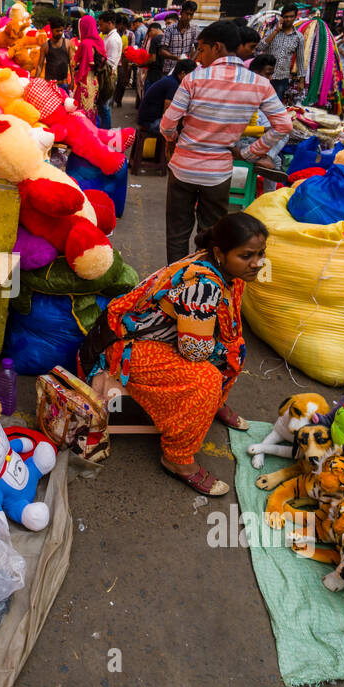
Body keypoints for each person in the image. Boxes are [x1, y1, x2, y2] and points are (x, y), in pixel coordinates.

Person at [81, 212, 269, 495]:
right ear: (220, 253)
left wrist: (225, 346)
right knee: (205, 380)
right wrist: (219, 350)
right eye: (247, 256)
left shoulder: (229, 273)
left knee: (235, 348)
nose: (257, 263)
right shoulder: (203, 284)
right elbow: (194, 351)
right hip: (128, 346)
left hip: (162, 338)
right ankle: (177, 459)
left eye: (260, 254)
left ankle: (214, 403)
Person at [160, 19, 292, 264]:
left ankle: (174, 282)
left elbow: (167, 123)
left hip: (183, 168)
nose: (199, 57)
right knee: (212, 233)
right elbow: (284, 125)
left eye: (201, 49)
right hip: (219, 172)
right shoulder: (260, 84)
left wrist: (172, 140)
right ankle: (206, 281)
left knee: (177, 233)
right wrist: (251, 152)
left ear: (217, 47)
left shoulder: (194, 79)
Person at [256, 5, 304, 102]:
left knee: (275, 106)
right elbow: (260, 47)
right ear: (282, 18)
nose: (288, 19)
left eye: (291, 16)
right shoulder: (271, 31)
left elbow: (300, 59)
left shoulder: (299, 37)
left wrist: (301, 81)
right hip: (265, 76)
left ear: (295, 17)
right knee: (260, 104)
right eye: (286, 17)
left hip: (282, 78)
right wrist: (276, 31)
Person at [137, 59, 196, 135]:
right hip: (150, 123)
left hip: (146, 120)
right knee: (182, 129)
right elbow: (167, 111)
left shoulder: (171, 80)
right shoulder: (173, 84)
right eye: (191, 76)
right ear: (183, 73)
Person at [72, 13, 108, 122]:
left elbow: (73, 62)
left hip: (84, 80)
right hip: (95, 81)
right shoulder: (99, 41)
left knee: (80, 111)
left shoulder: (84, 43)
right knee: (92, 109)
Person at [160, 1, 200, 76]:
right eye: (187, 14)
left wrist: (190, 61)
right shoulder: (170, 29)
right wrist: (177, 58)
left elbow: (199, 47)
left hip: (184, 71)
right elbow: (162, 51)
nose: (188, 17)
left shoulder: (194, 29)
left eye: (191, 15)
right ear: (181, 13)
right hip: (169, 70)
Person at [97, 11, 123, 125]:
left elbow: (111, 62)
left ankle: (106, 132)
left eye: (101, 24)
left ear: (110, 23)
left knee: (104, 107)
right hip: (107, 74)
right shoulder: (109, 36)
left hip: (108, 76)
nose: (100, 27)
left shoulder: (113, 39)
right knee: (103, 107)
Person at [38, 16, 72, 89]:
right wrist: (36, 81)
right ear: (51, 30)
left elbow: (71, 64)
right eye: (57, 31)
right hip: (49, 85)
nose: (60, 33)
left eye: (61, 30)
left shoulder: (68, 44)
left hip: (63, 84)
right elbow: (39, 66)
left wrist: (72, 81)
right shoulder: (45, 46)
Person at [142, 21, 166, 90]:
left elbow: (153, 58)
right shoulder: (166, 38)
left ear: (152, 30)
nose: (150, 36)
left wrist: (142, 64)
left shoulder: (155, 39)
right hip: (162, 73)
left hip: (153, 73)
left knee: (148, 96)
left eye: (149, 34)